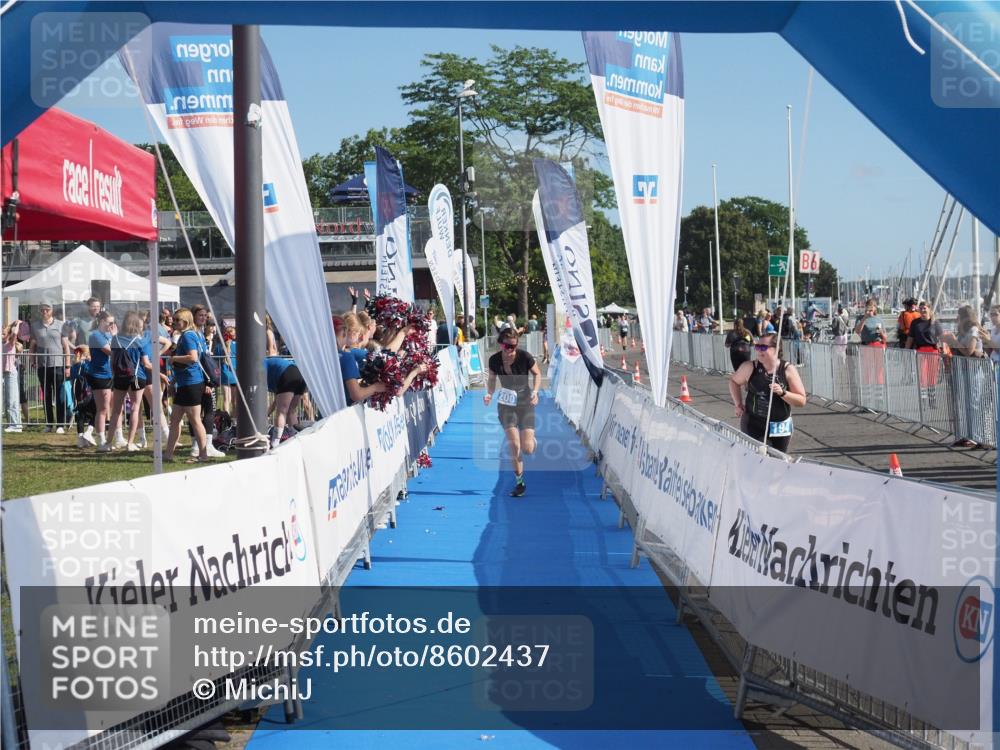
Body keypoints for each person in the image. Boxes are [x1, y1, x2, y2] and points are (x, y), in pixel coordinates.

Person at [484, 327, 542, 497]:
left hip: (525, 402)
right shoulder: (494, 360)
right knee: (514, 445)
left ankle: (530, 441)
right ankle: (520, 483)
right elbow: (492, 379)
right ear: (501, 344)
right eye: (508, 346)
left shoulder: (525, 356)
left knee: (527, 449)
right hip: (506, 404)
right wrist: (489, 394)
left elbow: (537, 374)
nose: (511, 350)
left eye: (514, 346)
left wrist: (536, 392)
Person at [728, 333, 807, 453]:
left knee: (778, 460)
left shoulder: (787, 369)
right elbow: (734, 381)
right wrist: (738, 404)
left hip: (780, 425)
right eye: (757, 347)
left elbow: (801, 401)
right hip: (754, 422)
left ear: (777, 349)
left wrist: (783, 393)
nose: (759, 351)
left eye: (763, 347)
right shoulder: (750, 367)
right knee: (756, 456)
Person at [164, 308, 213, 463]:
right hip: (186, 382)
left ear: (184, 321)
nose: (174, 322)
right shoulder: (192, 335)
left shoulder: (188, 336)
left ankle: (203, 454)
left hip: (192, 383)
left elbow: (193, 358)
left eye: (177, 320)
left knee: (195, 420)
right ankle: (168, 455)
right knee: (175, 419)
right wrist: (173, 382)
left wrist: (174, 359)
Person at [941, 304, 988, 448]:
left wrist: (954, 341)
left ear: (964, 317)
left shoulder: (974, 330)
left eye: (959, 316)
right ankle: (968, 434)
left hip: (974, 370)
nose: (956, 318)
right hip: (963, 370)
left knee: (973, 403)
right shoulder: (962, 331)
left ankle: (977, 436)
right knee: (965, 404)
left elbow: (969, 351)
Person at [108, 310, 153, 452]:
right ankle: (130, 443)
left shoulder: (115, 340)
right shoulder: (140, 341)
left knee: (116, 410)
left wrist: (114, 375)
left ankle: (108, 442)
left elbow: (112, 361)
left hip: (119, 377)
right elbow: (146, 363)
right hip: (136, 377)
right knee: (135, 408)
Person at [29, 302, 72, 433]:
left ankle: (60, 424)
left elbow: (66, 346)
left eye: (47, 310)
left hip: (58, 365)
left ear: (51, 310)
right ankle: (49, 423)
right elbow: (32, 346)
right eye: (42, 310)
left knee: (59, 395)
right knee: (46, 395)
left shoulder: (61, 325)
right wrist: (32, 360)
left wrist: (68, 365)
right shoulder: (35, 326)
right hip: (43, 365)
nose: (44, 312)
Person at [264, 354, 307, 449]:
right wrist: (268, 412)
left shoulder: (260, 365)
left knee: (282, 411)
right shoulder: (271, 367)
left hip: (288, 374)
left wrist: (266, 413)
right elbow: (278, 399)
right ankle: (295, 439)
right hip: (299, 374)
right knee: (291, 410)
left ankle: (275, 443)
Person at [88, 311, 116, 452]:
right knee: (103, 408)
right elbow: (112, 351)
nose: (112, 326)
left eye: (113, 323)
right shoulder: (95, 336)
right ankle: (101, 439)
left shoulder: (107, 335)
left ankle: (110, 437)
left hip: (109, 374)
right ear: (102, 321)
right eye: (110, 323)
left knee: (109, 407)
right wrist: (115, 336)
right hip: (99, 375)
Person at [70, 345, 96, 447]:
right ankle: (89, 432)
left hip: (78, 394)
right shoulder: (87, 364)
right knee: (96, 412)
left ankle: (80, 439)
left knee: (81, 414)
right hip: (88, 392)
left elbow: (72, 378)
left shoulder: (74, 365)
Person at [3, 318, 23, 433]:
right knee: (8, 401)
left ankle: (15, 425)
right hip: (5, 374)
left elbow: (15, 333)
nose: (2, 334)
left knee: (12, 400)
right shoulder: (3, 344)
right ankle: (13, 424)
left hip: (10, 373)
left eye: (3, 333)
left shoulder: (10, 344)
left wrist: (18, 324)